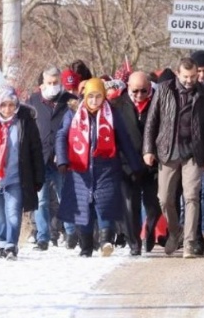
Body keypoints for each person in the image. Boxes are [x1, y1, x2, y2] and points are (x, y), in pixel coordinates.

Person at [56, 78, 143, 257]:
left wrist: (135, 166)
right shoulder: (72, 114)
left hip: (107, 167)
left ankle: (106, 241)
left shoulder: (112, 113)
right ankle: (86, 246)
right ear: (84, 97)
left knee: (105, 204)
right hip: (80, 169)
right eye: (91, 97)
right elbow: (61, 136)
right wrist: (63, 160)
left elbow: (124, 139)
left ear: (103, 97)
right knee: (83, 207)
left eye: (98, 96)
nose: (94, 101)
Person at [143, 58, 204, 258]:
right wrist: (148, 150)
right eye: (186, 76)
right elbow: (152, 121)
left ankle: (190, 242)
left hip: (193, 152)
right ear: (178, 73)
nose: (190, 80)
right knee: (164, 199)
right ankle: (175, 231)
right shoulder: (164, 89)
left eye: (193, 76)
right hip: (167, 151)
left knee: (192, 196)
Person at [0, 84, 45, 260]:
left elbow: (36, 149)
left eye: (11, 104)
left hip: (16, 177)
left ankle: (12, 246)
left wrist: (38, 176)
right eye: (3, 105)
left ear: (16, 103)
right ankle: (3, 244)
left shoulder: (25, 120)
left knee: (13, 213)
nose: (7, 109)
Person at [112, 71, 162, 256]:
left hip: (153, 163)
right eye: (135, 91)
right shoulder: (117, 105)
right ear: (128, 88)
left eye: (144, 91)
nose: (140, 95)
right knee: (129, 204)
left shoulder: (158, 103)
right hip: (127, 164)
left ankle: (148, 229)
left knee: (156, 203)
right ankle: (134, 243)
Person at [29, 66, 78, 251]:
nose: (52, 86)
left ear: (61, 82)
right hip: (40, 158)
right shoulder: (33, 101)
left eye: (55, 82)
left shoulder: (70, 102)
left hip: (62, 159)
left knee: (65, 195)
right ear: (42, 83)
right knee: (41, 200)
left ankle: (71, 232)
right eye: (49, 83)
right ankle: (43, 237)